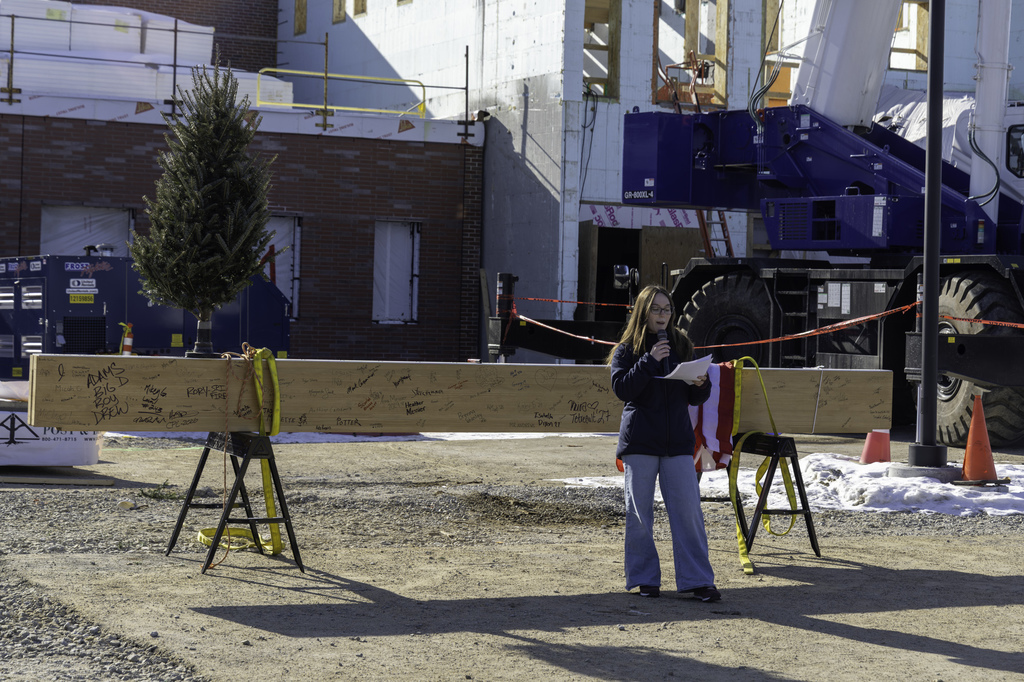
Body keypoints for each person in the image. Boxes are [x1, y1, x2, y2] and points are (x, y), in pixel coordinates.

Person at [607, 284, 721, 602]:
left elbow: (696, 395)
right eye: (656, 309)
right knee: (640, 515)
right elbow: (622, 389)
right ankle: (646, 580)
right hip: (640, 443)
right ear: (643, 312)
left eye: (667, 309)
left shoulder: (681, 344)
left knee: (688, 513)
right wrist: (649, 361)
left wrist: (701, 382)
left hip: (678, 445)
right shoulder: (627, 349)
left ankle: (698, 580)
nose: (662, 315)